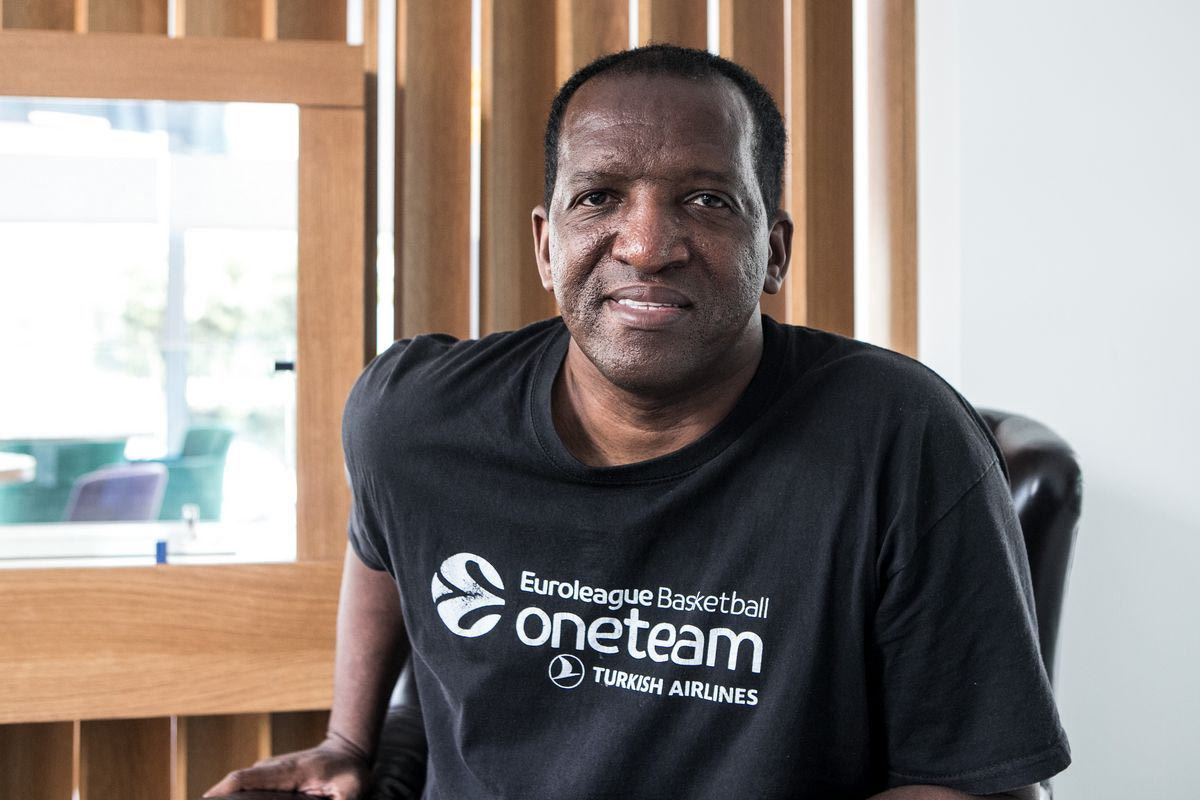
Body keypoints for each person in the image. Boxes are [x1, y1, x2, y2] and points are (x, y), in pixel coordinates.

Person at [207, 45, 1069, 800]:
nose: (647, 244)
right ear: (546, 245)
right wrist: (349, 740)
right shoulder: (414, 418)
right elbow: (381, 540)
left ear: (775, 251)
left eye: (707, 200)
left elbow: (980, 786)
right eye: (598, 197)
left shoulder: (902, 438)